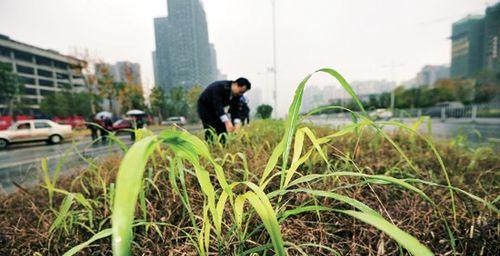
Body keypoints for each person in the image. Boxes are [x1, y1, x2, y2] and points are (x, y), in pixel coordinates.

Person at [197, 78, 251, 143]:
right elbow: (217, 104)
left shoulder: (237, 95)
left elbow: (235, 109)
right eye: (240, 92)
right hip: (205, 106)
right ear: (235, 84)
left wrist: (236, 123)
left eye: (242, 93)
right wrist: (227, 121)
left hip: (216, 108)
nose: (241, 94)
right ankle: (209, 147)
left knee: (222, 128)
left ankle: (223, 146)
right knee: (209, 127)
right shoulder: (220, 87)